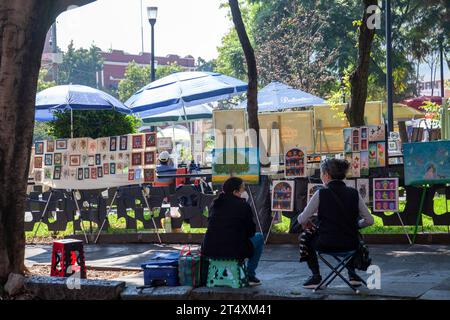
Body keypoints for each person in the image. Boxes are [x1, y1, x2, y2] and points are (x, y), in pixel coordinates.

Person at [297, 158, 374, 289]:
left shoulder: (320, 193)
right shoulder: (354, 193)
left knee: (305, 237)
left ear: (326, 174)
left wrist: (309, 221)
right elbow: (369, 220)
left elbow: (302, 220)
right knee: (352, 233)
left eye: (321, 174)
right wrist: (356, 225)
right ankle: (352, 275)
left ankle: (316, 276)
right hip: (351, 244)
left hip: (325, 243)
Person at [201, 177, 264, 286]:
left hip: (209, 249)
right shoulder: (243, 205)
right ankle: (250, 274)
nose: (244, 192)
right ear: (235, 192)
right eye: (243, 190)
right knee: (259, 237)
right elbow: (251, 232)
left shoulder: (215, 204)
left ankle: (225, 272)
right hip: (234, 250)